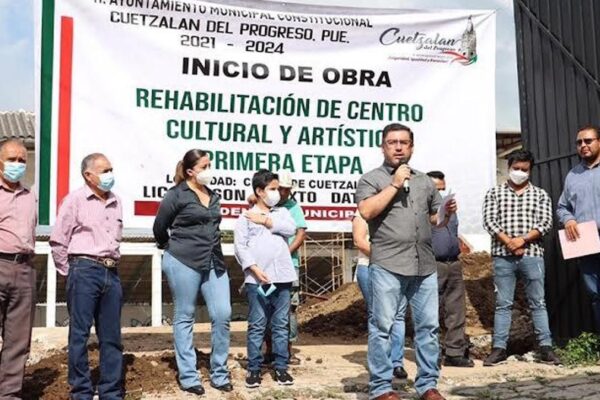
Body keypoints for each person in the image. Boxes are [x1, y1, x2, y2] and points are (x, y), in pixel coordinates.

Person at [356, 123, 456, 400]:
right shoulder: (371, 179)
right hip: (387, 264)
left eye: (404, 142)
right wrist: (395, 184)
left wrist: (446, 212)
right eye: (392, 142)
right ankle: (381, 387)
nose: (398, 147)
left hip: (423, 265)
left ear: (412, 146)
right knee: (382, 327)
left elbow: (435, 220)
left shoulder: (424, 180)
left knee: (428, 327)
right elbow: (366, 210)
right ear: (383, 146)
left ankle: (427, 385)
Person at [153, 149, 232, 396]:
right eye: (205, 166)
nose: (210, 170)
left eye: (210, 165)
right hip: (183, 260)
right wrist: (172, 248)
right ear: (190, 171)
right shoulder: (176, 195)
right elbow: (159, 228)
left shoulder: (214, 195)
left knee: (223, 314)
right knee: (185, 316)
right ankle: (188, 376)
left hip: (214, 261)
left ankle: (219, 373)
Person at [50, 153, 124, 399]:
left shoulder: (116, 201)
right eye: (104, 170)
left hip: (111, 271)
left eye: (110, 169)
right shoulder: (74, 200)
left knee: (112, 336)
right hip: (83, 268)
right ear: (88, 175)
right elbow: (59, 241)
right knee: (80, 335)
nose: (109, 175)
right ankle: (81, 391)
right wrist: (70, 273)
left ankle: (110, 391)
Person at [482, 150, 560, 366]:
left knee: (538, 302)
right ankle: (499, 349)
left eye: (524, 170)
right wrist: (510, 242)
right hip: (503, 256)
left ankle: (546, 348)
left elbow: (545, 223)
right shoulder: (494, 193)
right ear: (509, 167)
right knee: (503, 304)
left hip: (532, 255)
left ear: (530, 170)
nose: (519, 172)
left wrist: (521, 241)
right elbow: (489, 221)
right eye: (516, 168)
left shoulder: (540, 194)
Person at [234, 169, 297, 388]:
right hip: (257, 280)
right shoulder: (245, 217)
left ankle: (281, 368)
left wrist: (266, 220)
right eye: (272, 189)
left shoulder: (281, 213)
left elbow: (291, 229)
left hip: (282, 279)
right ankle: (254, 369)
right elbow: (240, 247)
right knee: (257, 325)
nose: (276, 193)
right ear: (259, 191)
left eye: (277, 189)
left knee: (281, 325)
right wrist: (253, 268)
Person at [0, 139, 37, 399]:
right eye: (12, 159)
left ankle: (9, 394)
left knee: (18, 341)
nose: (17, 165)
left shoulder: (30, 195)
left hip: (24, 268)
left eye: (22, 160)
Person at [352, 211, 408, 379]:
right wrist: (387, 257)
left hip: (399, 268)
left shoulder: (399, 211)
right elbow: (359, 241)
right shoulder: (363, 212)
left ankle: (397, 363)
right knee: (378, 317)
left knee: (398, 316)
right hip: (370, 267)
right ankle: (380, 362)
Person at [426, 171, 474, 368]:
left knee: (456, 308)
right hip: (432, 264)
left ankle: (454, 352)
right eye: (436, 190)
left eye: (443, 189)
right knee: (431, 310)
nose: (441, 194)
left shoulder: (451, 212)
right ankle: (431, 353)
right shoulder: (422, 212)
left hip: (453, 263)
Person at [557, 125, 600, 330]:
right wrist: (568, 220)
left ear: (599, 142)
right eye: (579, 142)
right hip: (587, 245)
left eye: (588, 141)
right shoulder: (573, 175)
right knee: (595, 294)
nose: (583, 146)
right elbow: (562, 207)